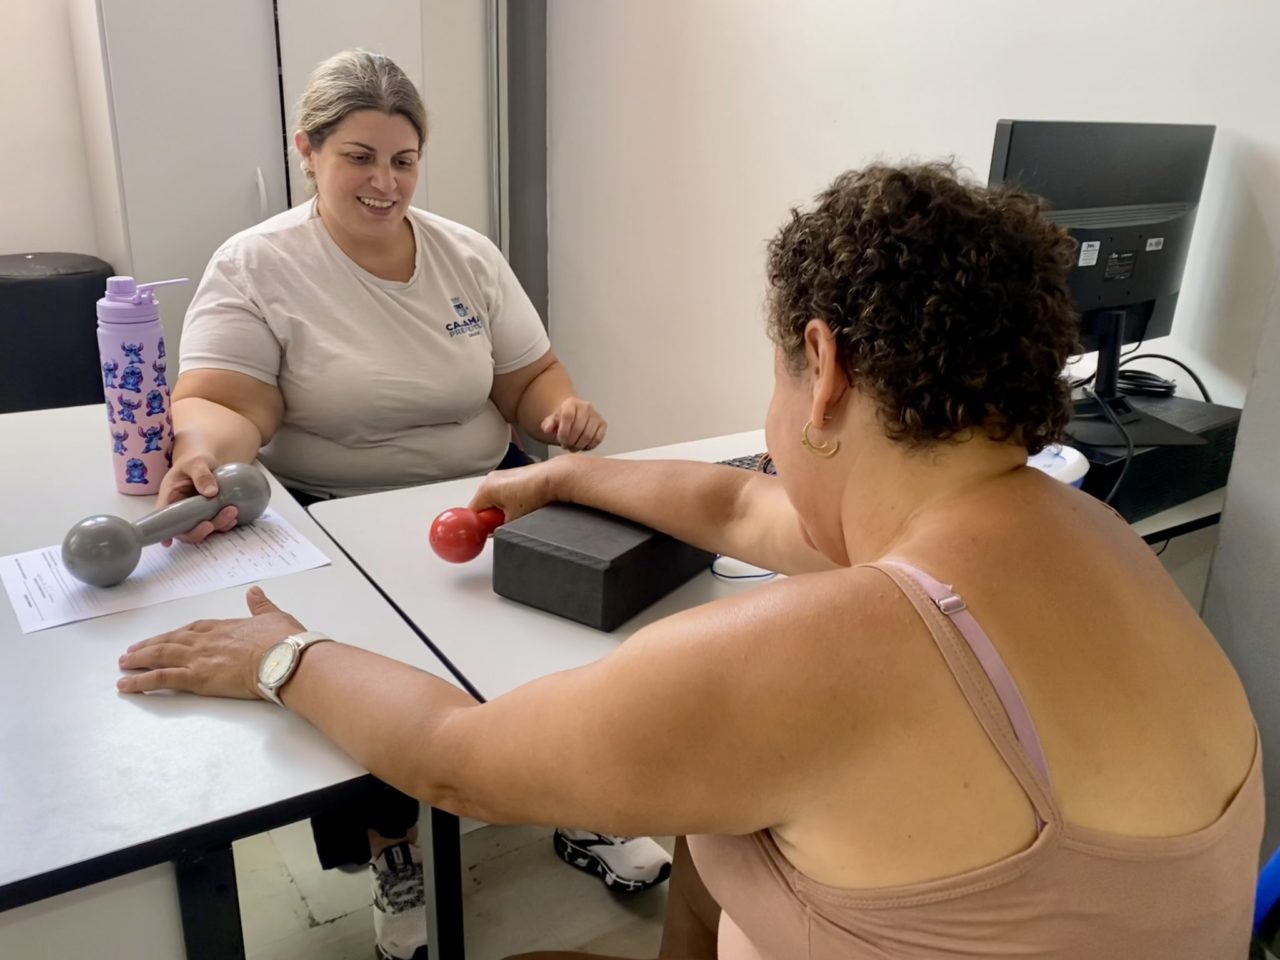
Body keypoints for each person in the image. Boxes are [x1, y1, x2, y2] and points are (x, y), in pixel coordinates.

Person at [121, 162, 1262, 959]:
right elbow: (732, 504)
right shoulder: (1089, 534)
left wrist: (285, 657)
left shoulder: (821, 654)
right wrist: (554, 475)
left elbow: (457, 761)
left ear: (821, 367)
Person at [158, 49, 669, 960]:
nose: (384, 182)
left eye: (402, 160)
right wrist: (202, 449)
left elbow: (525, 377)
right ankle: (400, 857)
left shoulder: (465, 255)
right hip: (336, 515)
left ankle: (578, 802)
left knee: (555, 655)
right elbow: (233, 403)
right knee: (375, 687)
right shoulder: (258, 264)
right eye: (359, 157)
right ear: (307, 152)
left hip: (483, 494)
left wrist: (556, 410)